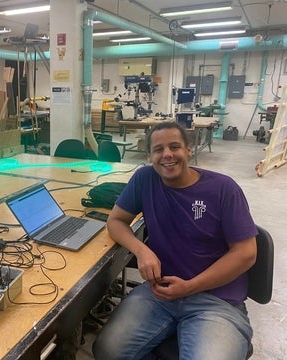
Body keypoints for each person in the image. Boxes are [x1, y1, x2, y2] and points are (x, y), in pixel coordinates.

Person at [92, 122, 258, 360]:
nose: (167, 154)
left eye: (174, 147)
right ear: (149, 156)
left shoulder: (223, 189)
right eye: (158, 149)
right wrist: (142, 250)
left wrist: (190, 287)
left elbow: (246, 253)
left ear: (189, 150)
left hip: (217, 301)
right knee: (108, 352)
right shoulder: (145, 179)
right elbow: (116, 221)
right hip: (159, 292)